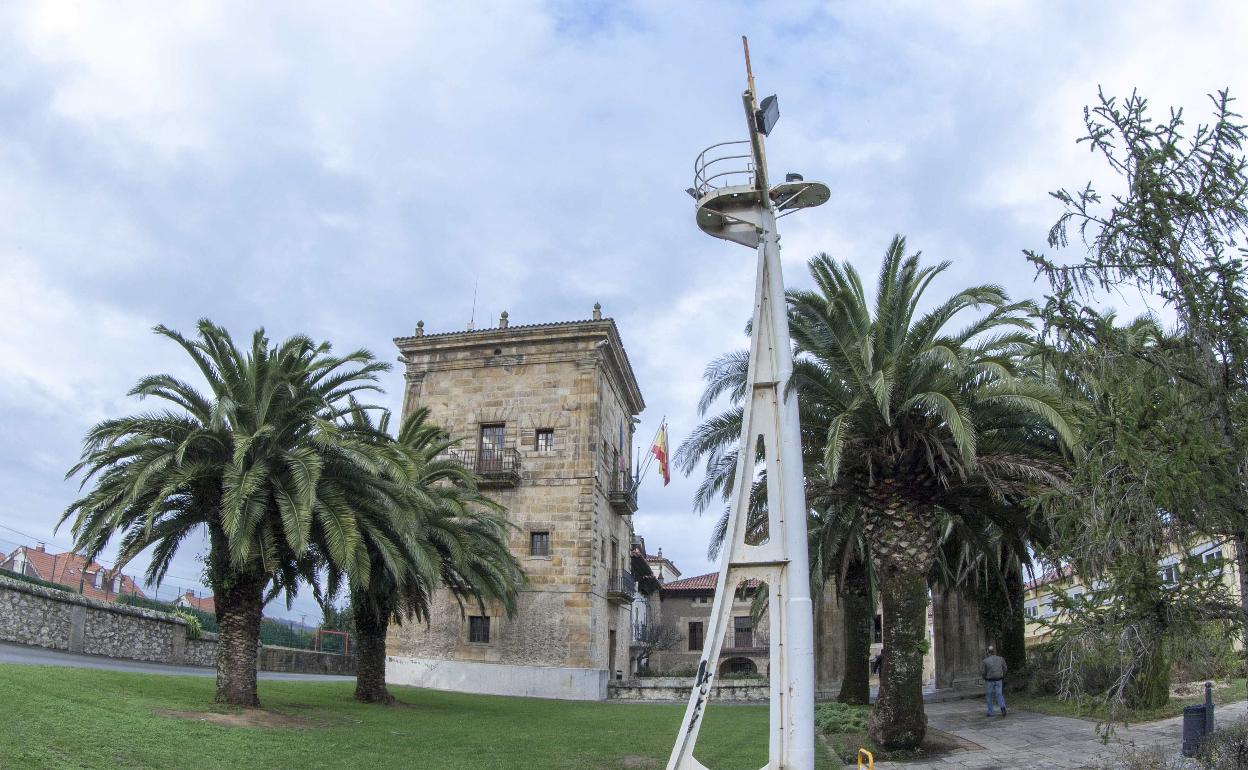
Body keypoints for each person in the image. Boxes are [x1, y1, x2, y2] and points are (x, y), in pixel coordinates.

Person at [982, 644, 1007, 717]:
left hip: (990, 680)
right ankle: (1002, 707)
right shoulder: (1001, 658)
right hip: (999, 679)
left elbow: (983, 672)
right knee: (999, 694)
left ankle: (991, 712)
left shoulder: (985, 661)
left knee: (989, 695)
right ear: (994, 651)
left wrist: (984, 677)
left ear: (987, 652)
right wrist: (1003, 675)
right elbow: (1005, 668)